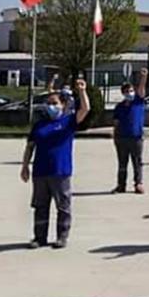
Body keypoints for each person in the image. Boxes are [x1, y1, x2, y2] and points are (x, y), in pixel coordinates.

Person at [20, 80, 90, 249]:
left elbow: (85, 109)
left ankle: (62, 236)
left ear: (63, 104)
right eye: (49, 103)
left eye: (55, 103)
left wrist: (82, 91)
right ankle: (39, 237)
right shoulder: (39, 125)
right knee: (40, 206)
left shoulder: (68, 121)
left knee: (63, 206)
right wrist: (25, 166)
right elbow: (30, 146)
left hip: (60, 171)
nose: (51, 106)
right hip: (40, 171)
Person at [112, 68, 149, 194]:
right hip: (121, 138)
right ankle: (121, 185)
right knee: (122, 163)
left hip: (136, 137)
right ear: (123, 93)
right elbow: (115, 123)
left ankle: (138, 184)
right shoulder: (119, 107)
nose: (130, 93)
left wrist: (143, 77)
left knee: (137, 162)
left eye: (131, 90)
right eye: (127, 91)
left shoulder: (138, 102)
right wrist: (114, 137)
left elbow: (141, 90)